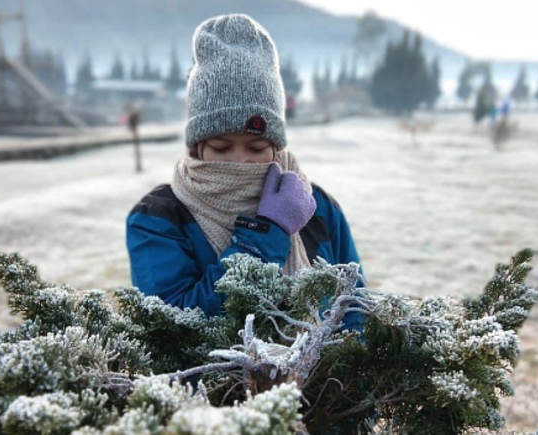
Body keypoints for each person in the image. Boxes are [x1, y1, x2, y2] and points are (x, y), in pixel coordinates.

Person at [126, 14, 363, 321]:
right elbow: (173, 326)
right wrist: (268, 234)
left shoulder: (315, 207)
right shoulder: (159, 216)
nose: (239, 162)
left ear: (276, 150)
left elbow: (355, 309)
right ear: (197, 147)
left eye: (256, 148)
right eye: (221, 147)